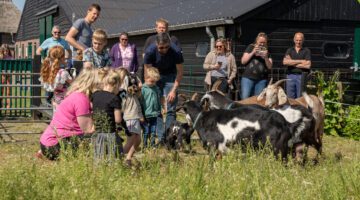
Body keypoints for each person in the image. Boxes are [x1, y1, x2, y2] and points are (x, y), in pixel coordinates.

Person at [37, 68, 97, 160]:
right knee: (95, 138)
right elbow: (88, 129)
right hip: (55, 144)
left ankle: (44, 153)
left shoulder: (74, 94)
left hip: (48, 141)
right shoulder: (81, 99)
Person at [144, 33, 184, 145]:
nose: (164, 50)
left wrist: (174, 90)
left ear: (170, 44)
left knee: (170, 108)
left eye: (167, 47)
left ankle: (169, 137)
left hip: (171, 77)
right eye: (161, 48)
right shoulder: (150, 51)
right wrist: (148, 87)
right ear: (156, 44)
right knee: (157, 109)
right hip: (156, 77)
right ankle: (161, 138)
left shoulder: (176, 51)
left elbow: (180, 72)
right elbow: (148, 71)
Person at [91, 68, 124, 160]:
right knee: (113, 157)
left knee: (99, 157)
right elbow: (118, 120)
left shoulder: (95, 95)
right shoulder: (115, 98)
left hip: (97, 132)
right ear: (116, 85)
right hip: (110, 133)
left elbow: (92, 109)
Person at [117, 68, 143, 166]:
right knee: (132, 138)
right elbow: (124, 93)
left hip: (135, 114)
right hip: (130, 114)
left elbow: (139, 90)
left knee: (138, 140)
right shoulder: (122, 88)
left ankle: (128, 158)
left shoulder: (132, 87)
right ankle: (119, 158)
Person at [240, 32, 273, 99]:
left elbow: (270, 66)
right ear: (256, 41)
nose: (262, 44)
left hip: (261, 80)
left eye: (264, 42)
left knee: (258, 100)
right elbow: (243, 61)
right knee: (245, 98)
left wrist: (266, 57)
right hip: (248, 78)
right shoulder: (251, 47)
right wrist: (253, 52)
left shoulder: (267, 51)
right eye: (260, 42)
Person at [39, 46, 72, 111]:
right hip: (65, 103)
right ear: (62, 58)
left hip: (56, 102)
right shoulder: (63, 73)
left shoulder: (48, 72)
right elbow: (75, 84)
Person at [140, 67, 164, 148]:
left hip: (154, 113)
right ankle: (145, 145)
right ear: (146, 78)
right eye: (151, 81)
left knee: (153, 131)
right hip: (146, 114)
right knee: (146, 131)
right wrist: (141, 114)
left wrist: (162, 108)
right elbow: (140, 102)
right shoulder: (142, 89)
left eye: (155, 82)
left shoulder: (156, 89)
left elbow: (159, 99)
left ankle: (152, 144)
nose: (153, 83)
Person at [283, 32, 311, 98]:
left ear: (303, 40)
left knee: (300, 97)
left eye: (300, 40)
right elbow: (285, 62)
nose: (298, 42)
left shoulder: (306, 51)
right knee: (290, 97)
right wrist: (301, 61)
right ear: (294, 40)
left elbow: (308, 65)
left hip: (301, 77)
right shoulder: (289, 50)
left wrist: (291, 62)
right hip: (290, 76)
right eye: (297, 40)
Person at [0, 44, 13, 109]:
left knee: (8, 91)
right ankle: (1, 103)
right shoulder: (1, 57)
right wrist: (1, 56)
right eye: (4, 51)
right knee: (1, 90)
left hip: (9, 75)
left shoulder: (10, 58)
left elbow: (13, 65)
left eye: (7, 51)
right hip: (3, 75)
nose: (6, 52)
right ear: (2, 51)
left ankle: (8, 105)